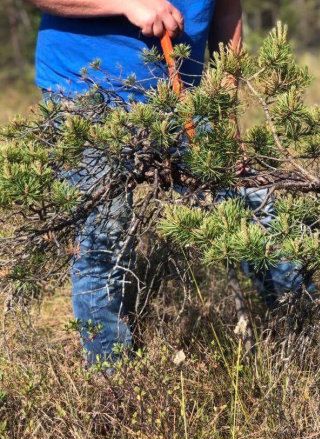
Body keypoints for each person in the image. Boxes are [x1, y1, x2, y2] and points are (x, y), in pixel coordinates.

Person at [28, 0, 304, 367]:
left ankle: (304, 342)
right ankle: (110, 380)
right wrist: (126, 4)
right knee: (102, 243)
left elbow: (225, 11)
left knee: (256, 208)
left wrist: (223, 108)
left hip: (184, 98)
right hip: (84, 93)